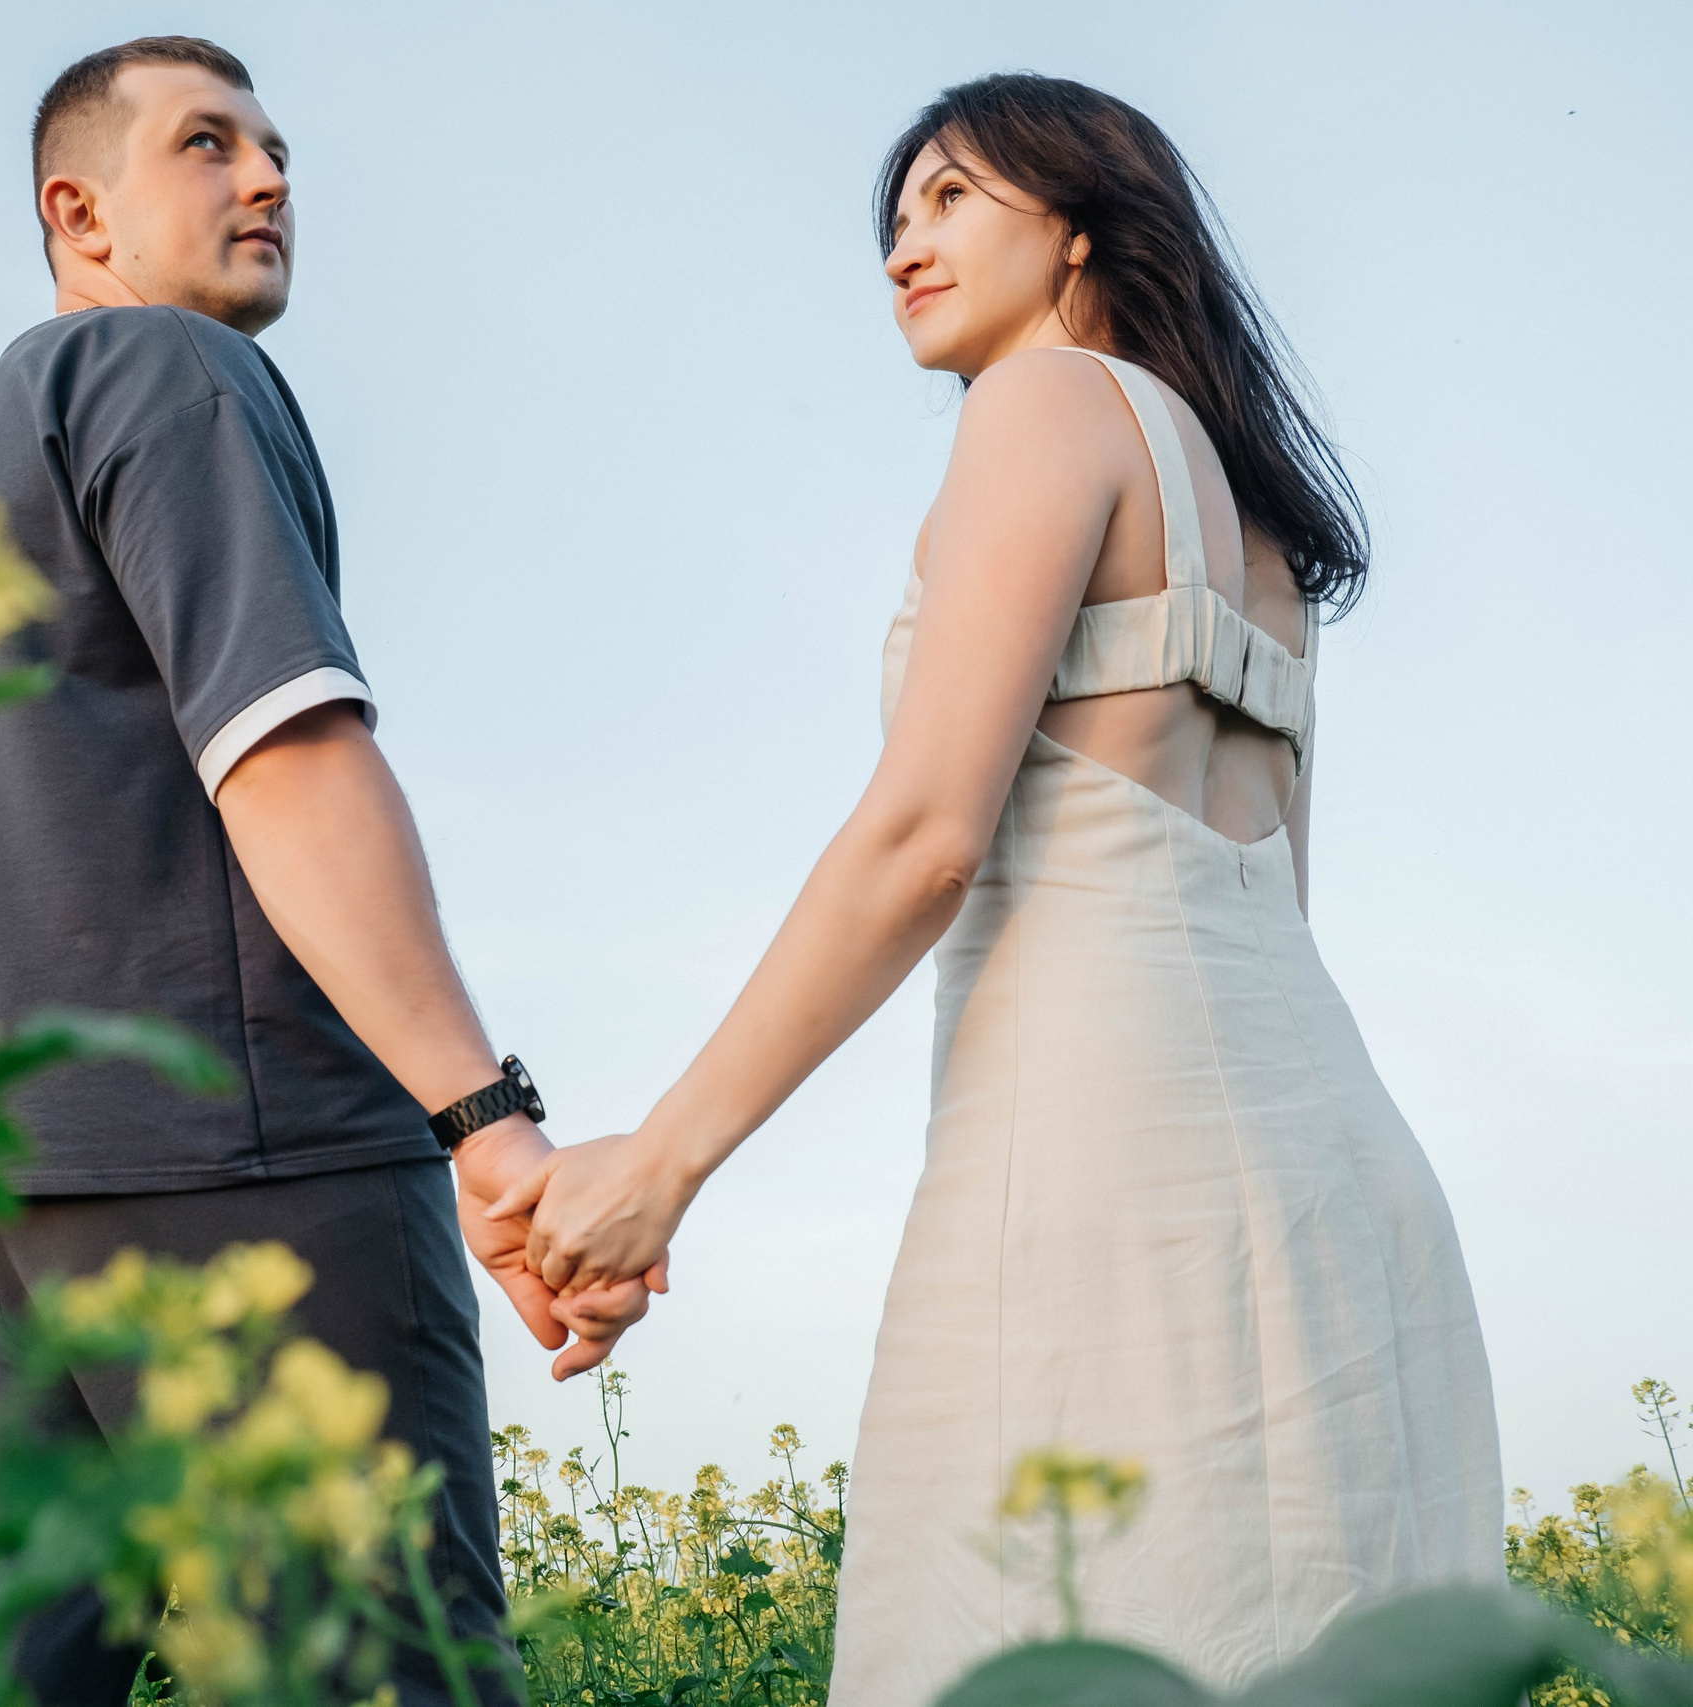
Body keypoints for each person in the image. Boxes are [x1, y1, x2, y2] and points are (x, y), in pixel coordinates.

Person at [488, 72, 1501, 1699]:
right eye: (895, 219)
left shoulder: (1043, 410)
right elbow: (1276, 905)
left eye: (949, 199)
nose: (903, 247)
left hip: (1101, 1179)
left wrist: (660, 1166)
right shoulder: (1263, 541)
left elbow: (924, 835)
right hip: (1342, 1191)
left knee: (1042, 1636)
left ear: (1083, 221)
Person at [0, 36, 652, 1707]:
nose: (270, 178)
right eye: (207, 146)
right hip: (230, 1153)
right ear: (80, 212)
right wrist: (482, 1116)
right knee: (385, 1669)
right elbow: (284, 758)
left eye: (276, 148)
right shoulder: (167, 372)